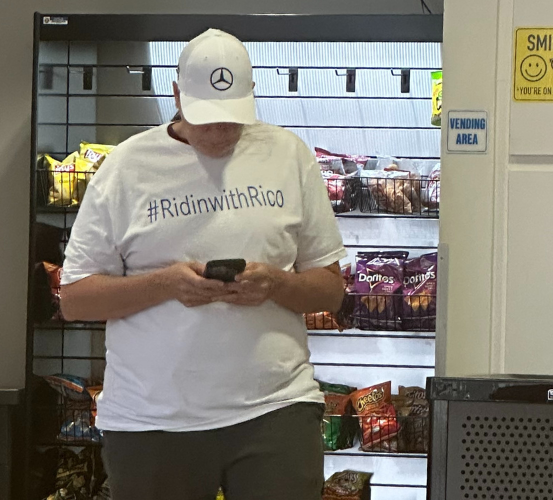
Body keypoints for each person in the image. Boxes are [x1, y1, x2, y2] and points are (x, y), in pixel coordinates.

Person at [58, 28, 346, 500]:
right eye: (206, 118)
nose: (218, 132)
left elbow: (330, 290)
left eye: (231, 119)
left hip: (275, 411)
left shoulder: (289, 155)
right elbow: (74, 300)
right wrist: (166, 284)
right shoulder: (126, 168)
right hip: (152, 422)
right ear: (176, 95)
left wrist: (274, 283)